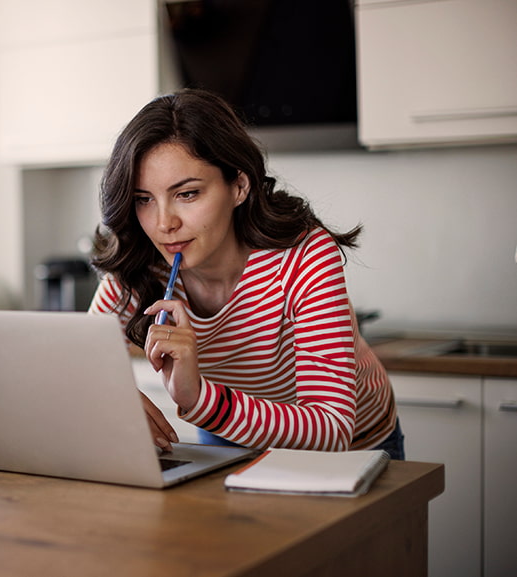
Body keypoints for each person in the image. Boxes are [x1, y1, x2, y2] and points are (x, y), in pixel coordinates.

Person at [88, 89, 403, 460]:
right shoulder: (141, 262)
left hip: (353, 448)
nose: (163, 224)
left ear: (238, 186)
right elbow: (81, 365)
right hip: (231, 435)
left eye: (187, 194)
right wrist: (112, 397)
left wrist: (199, 399)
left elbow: (331, 427)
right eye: (144, 199)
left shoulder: (304, 255)